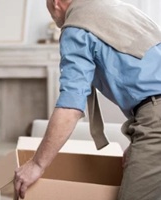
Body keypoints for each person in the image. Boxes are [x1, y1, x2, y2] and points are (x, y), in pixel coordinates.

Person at [14, 0, 161, 199]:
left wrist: (37, 164)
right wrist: (141, 144)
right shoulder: (121, 9)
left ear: (56, 3)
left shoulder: (77, 26)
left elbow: (71, 106)